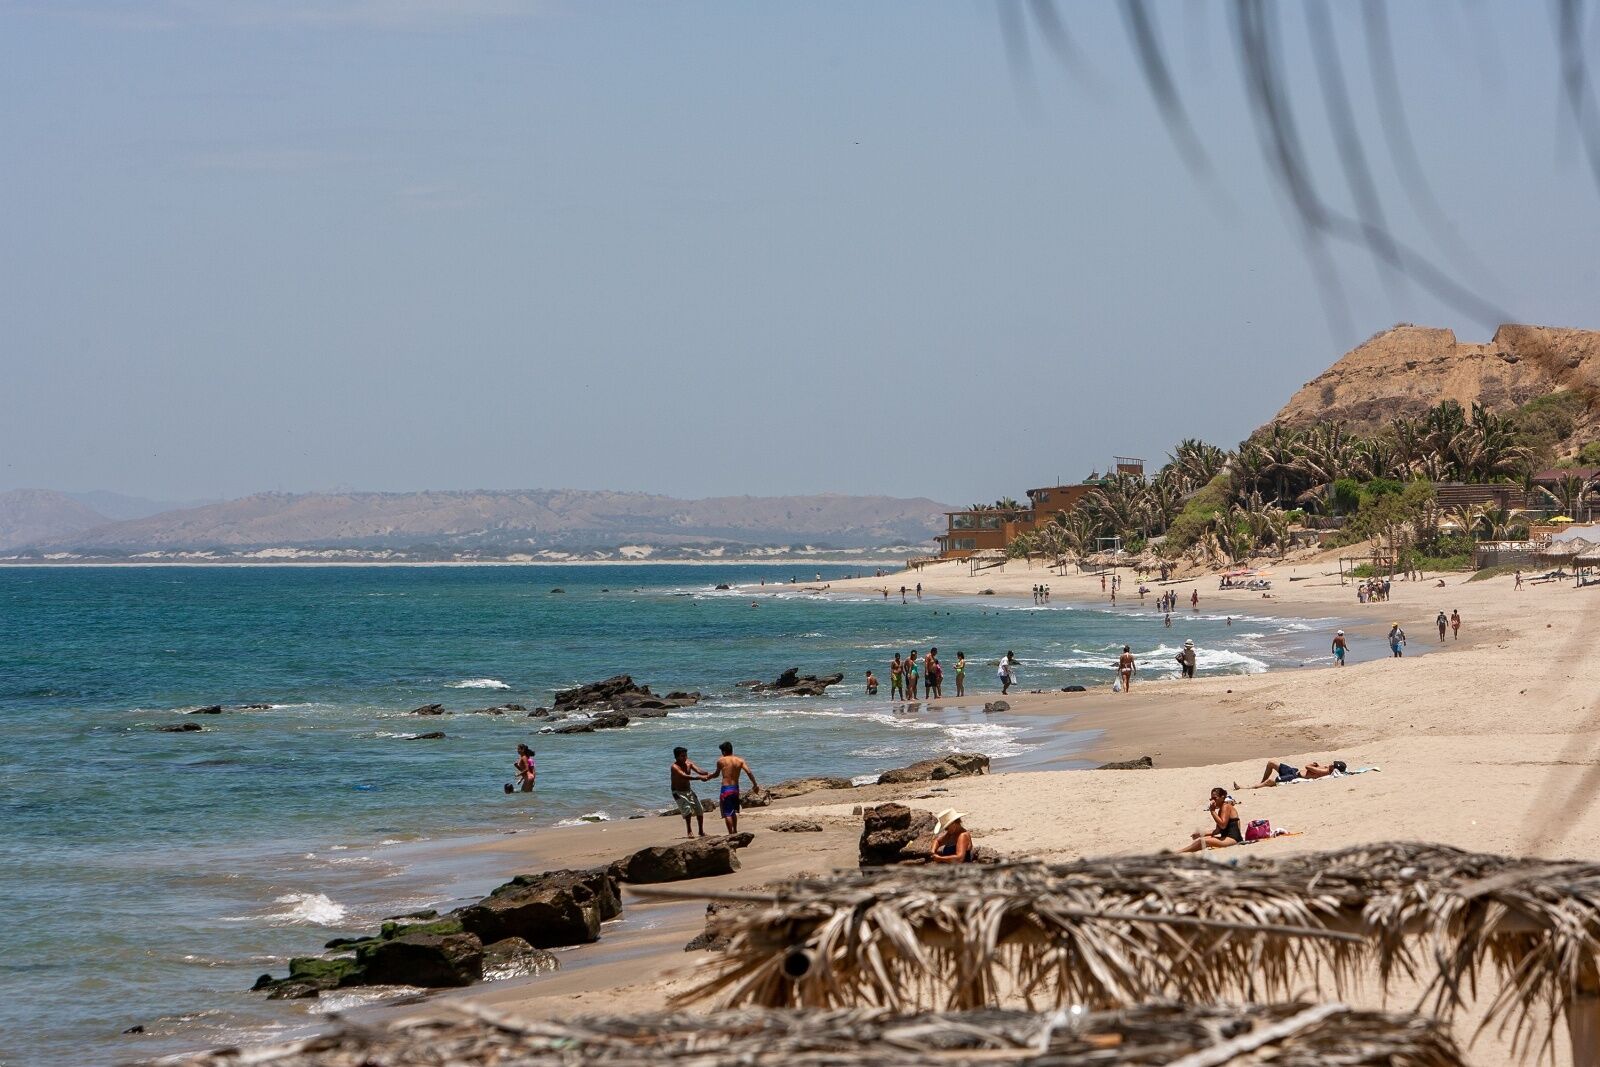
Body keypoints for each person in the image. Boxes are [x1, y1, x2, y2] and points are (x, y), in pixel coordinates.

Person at [1176, 788, 1242, 852]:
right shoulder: (1221, 810)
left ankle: (1179, 852)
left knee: (1203, 841)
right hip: (1226, 838)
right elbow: (1217, 830)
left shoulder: (1226, 806)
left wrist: (1212, 811)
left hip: (1233, 839)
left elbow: (1223, 825)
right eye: (1211, 799)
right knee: (1202, 840)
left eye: (1215, 798)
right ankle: (1182, 851)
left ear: (1222, 797)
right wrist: (1201, 834)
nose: (1212, 801)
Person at [714, 741, 760, 834]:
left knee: (727, 813)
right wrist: (755, 784)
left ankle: (730, 833)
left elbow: (716, 774)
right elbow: (749, 772)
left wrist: (707, 777)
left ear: (723, 752)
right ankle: (735, 830)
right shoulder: (740, 760)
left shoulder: (721, 761)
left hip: (726, 789)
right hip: (735, 789)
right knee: (733, 811)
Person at [669, 746, 713, 838]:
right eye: (682, 756)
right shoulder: (674, 767)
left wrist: (707, 774)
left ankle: (701, 831)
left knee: (700, 809)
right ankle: (689, 831)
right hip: (678, 792)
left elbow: (699, 771)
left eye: (685, 755)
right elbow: (684, 776)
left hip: (688, 790)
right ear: (676, 757)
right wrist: (698, 778)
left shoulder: (688, 763)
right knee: (687, 810)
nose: (685, 758)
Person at [1235, 759, 1346, 790]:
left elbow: (1307, 767)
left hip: (1294, 777)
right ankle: (1260, 782)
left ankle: (1245, 788)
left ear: (1334, 769)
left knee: (1269, 782)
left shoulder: (1325, 772)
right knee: (1271, 763)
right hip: (1294, 770)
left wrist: (1312, 764)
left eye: (1333, 764)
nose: (1331, 764)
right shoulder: (1327, 768)